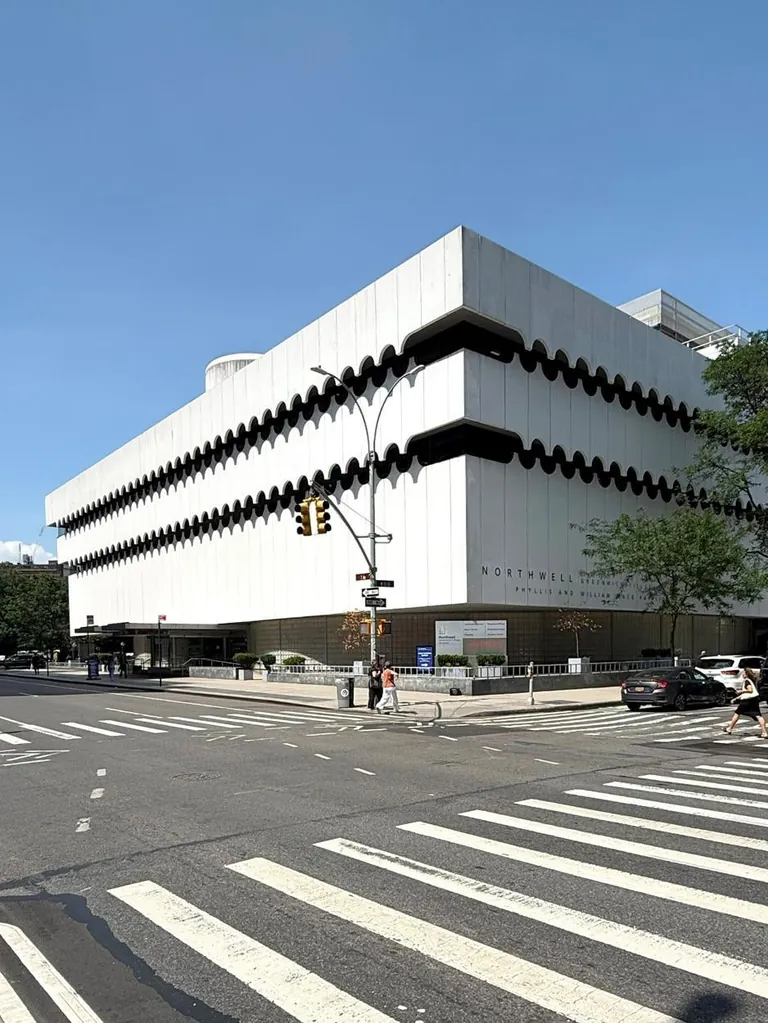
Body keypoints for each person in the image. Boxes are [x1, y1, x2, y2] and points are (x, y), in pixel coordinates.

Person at [722, 667, 768, 738]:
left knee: (737, 713)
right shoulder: (751, 681)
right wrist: (736, 698)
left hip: (747, 701)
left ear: (746, 674)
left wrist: (741, 691)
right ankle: (764, 732)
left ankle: (729, 728)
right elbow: (749, 693)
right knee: (758, 716)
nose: (742, 674)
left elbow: (750, 690)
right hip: (754, 699)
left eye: (744, 672)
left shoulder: (747, 681)